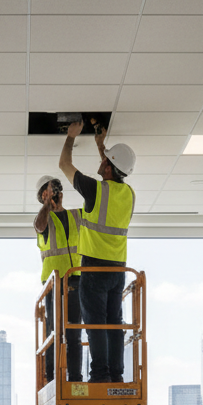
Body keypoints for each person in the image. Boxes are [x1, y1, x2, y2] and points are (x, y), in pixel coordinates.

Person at [58, 118, 136, 383]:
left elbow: (64, 166)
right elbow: (113, 172)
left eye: (104, 161)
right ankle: (116, 375)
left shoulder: (94, 190)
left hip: (93, 268)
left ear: (109, 168)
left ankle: (100, 376)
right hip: (118, 270)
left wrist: (71, 137)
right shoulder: (129, 194)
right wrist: (101, 145)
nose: (101, 163)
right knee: (114, 325)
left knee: (95, 325)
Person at [33, 174, 83, 383]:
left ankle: (75, 379)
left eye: (53, 192)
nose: (51, 196)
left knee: (74, 334)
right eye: (46, 193)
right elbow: (39, 226)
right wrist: (46, 205)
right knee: (54, 334)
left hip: (76, 281)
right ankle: (53, 379)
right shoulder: (44, 219)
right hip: (54, 286)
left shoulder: (76, 216)